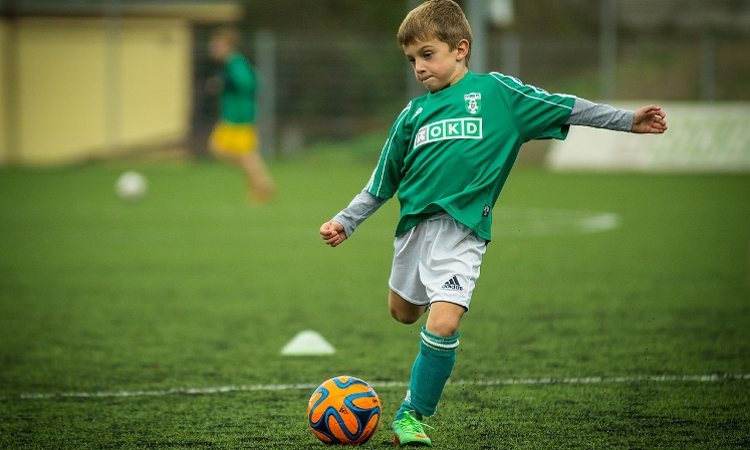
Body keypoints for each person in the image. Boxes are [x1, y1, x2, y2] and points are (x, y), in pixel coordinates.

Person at [319, 0, 667, 446]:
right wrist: (346, 222)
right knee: (403, 312)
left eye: (428, 54)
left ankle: (412, 415)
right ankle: (433, 312)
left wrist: (626, 121)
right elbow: (381, 182)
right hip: (413, 232)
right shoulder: (412, 116)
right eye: (412, 60)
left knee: (443, 323)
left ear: (461, 48)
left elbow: (565, 106)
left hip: (463, 233)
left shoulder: (499, 95)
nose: (419, 68)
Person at [207, 27, 275, 204]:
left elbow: (250, 82)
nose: (214, 47)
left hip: (240, 117)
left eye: (218, 44)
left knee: (244, 154)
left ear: (228, 46)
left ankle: (262, 184)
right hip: (231, 116)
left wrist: (227, 81)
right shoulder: (228, 65)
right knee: (221, 150)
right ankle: (260, 181)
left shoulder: (235, 63)